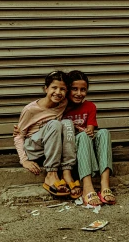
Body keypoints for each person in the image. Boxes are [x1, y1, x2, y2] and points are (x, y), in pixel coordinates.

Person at [13, 71, 81, 199]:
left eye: (62, 89)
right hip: (34, 148)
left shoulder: (63, 103)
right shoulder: (30, 110)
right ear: (46, 89)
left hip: (51, 150)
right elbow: (18, 135)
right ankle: (51, 174)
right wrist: (24, 160)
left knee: (66, 122)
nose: (58, 92)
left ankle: (67, 171)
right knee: (55, 124)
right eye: (54, 88)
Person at [63, 70, 116, 207]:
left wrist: (89, 131)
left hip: (87, 146)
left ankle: (105, 184)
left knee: (104, 132)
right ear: (67, 89)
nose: (79, 93)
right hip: (71, 151)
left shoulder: (90, 106)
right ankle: (87, 185)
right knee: (82, 136)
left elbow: (91, 128)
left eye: (83, 90)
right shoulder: (62, 107)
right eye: (74, 89)